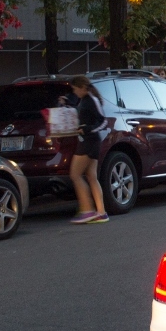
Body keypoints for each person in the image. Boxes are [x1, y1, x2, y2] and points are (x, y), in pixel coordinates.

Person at [67, 75, 109, 225]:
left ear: (82, 87)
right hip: (89, 141)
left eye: (75, 89)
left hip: (89, 142)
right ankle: (101, 212)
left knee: (75, 174)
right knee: (91, 176)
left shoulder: (91, 100)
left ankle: (87, 209)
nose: (74, 92)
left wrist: (88, 129)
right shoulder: (84, 100)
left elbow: (103, 121)